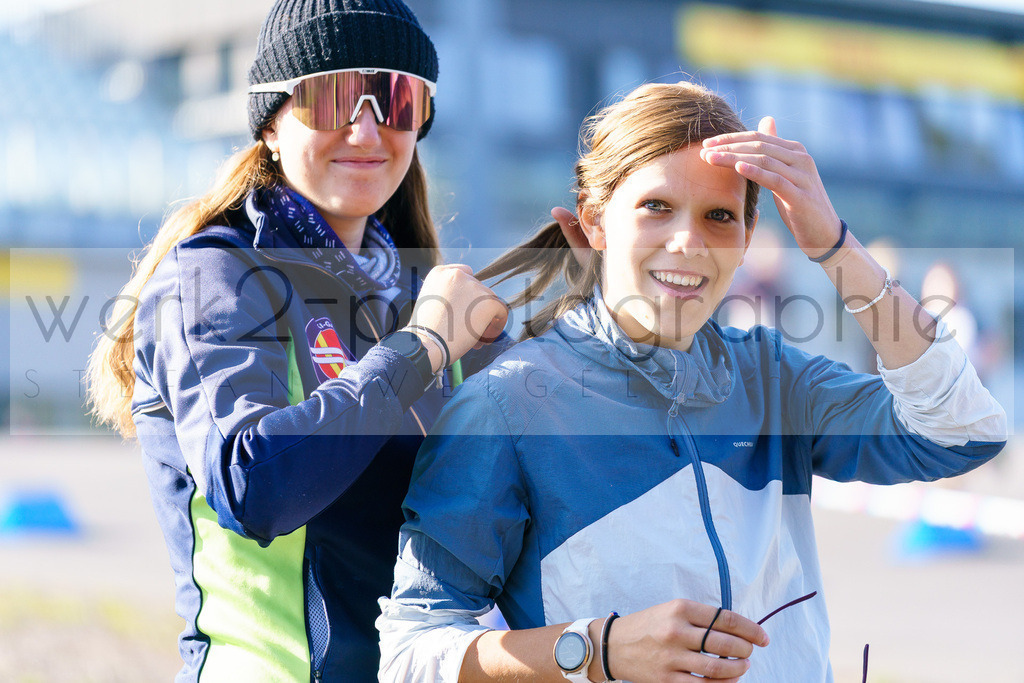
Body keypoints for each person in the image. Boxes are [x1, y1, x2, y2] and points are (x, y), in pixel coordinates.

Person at [376, 81, 1007, 682]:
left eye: (718, 217)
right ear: (595, 223)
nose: (688, 242)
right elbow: (411, 655)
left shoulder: (772, 375)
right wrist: (600, 650)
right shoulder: (505, 405)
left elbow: (962, 431)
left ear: (746, 238)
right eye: (656, 207)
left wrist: (834, 246)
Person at [85, 0, 512, 680]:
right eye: (335, 95)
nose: (367, 127)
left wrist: (598, 317)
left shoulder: (422, 290)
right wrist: (424, 344)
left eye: (397, 97)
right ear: (273, 123)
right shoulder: (215, 273)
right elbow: (255, 486)